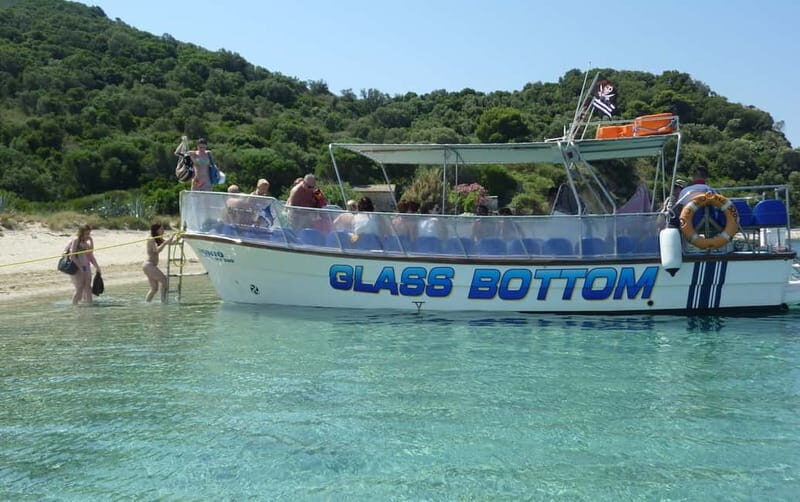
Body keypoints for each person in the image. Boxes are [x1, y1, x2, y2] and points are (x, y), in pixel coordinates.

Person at [65, 224, 100, 305]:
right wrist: (80, 267)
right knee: (79, 288)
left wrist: (91, 240)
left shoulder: (85, 243)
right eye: (86, 234)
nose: (87, 235)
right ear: (81, 233)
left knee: (88, 286)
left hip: (86, 266)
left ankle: (90, 305)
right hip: (77, 267)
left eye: (89, 233)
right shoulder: (76, 240)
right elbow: (72, 256)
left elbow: (90, 254)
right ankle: (74, 306)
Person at [143, 223, 174, 303]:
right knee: (164, 281)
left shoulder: (158, 238)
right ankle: (164, 302)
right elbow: (156, 250)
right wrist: (165, 243)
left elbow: (171, 243)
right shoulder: (151, 239)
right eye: (161, 229)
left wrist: (177, 237)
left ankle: (146, 303)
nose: (163, 231)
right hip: (148, 265)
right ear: (157, 230)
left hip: (150, 266)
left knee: (154, 289)